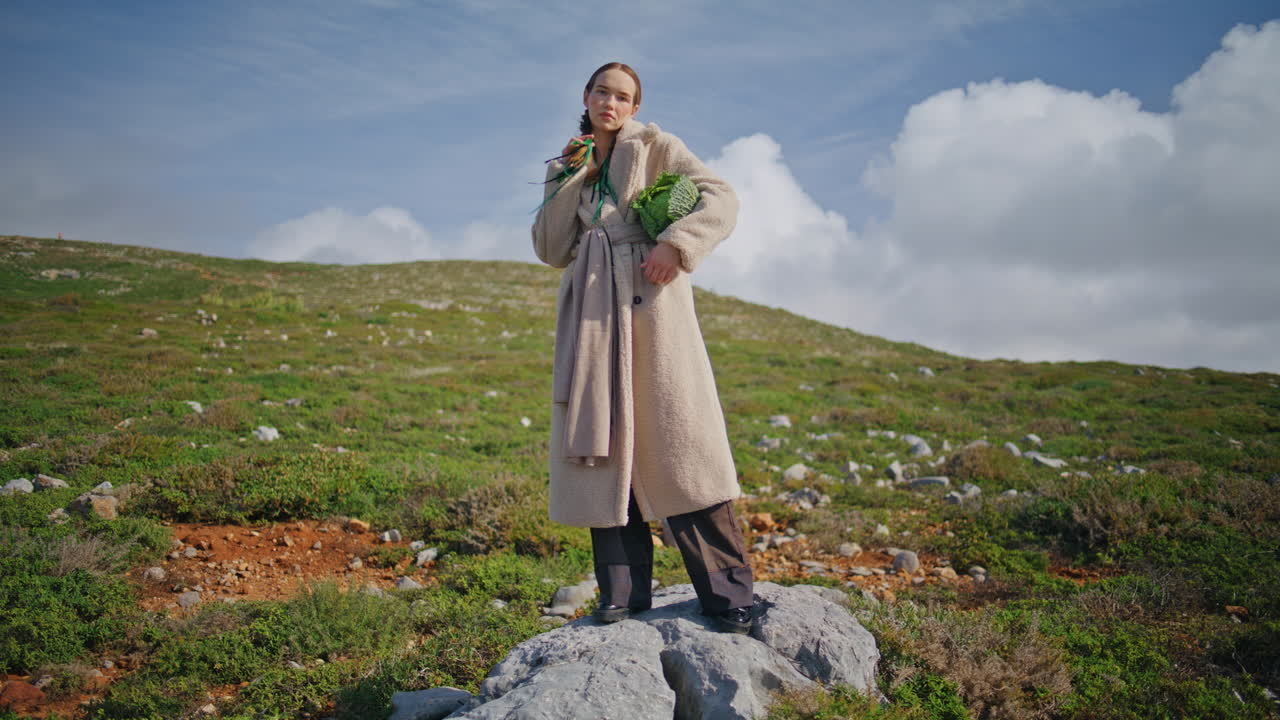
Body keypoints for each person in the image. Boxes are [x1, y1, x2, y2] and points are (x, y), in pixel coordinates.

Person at [532, 62, 758, 633]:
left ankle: (728, 596)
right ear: (586, 96)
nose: (612, 102)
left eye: (624, 96)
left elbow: (722, 198)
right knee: (602, 447)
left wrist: (677, 246)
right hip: (592, 314)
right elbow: (551, 247)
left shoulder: (659, 146)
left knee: (683, 443)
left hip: (654, 307)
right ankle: (621, 595)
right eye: (602, 91)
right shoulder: (570, 164)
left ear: (635, 107)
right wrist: (567, 177)